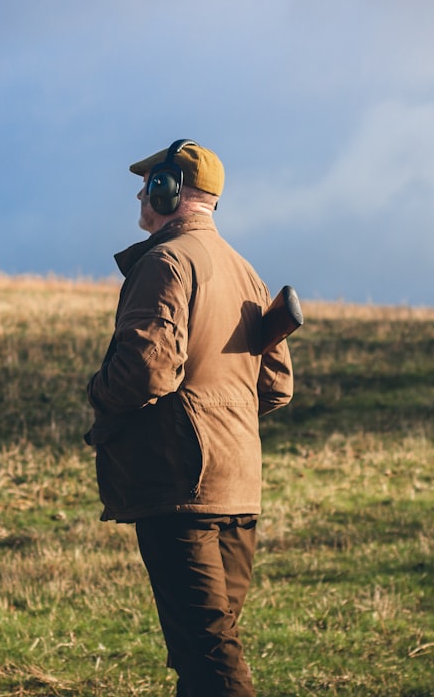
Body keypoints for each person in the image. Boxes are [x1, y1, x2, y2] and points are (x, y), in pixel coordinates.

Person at [84, 139, 294, 696]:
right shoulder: (247, 272)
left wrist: (99, 392)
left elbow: (145, 370)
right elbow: (276, 386)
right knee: (207, 653)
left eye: (149, 180)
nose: (140, 190)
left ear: (168, 190)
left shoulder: (165, 261)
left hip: (182, 487)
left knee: (209, 658)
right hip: (239, 486)